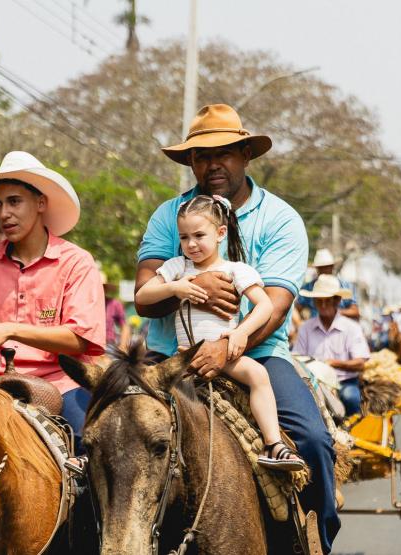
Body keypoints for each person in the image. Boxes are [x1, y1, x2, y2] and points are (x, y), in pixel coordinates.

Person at [134, 104, 339, 553]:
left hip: (259, 353)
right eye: (202, 155)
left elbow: (277, 306)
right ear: (190, 162)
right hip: (169, 356)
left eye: (224, 152)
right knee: (109, 433)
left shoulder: (281, 219)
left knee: (312, 440)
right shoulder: (169, 216)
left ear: (246, 154)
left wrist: (228, 346)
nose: (213, 164)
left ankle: (317, 539)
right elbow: (144, 294)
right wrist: (194, 285)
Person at [0, 150, 106, 450]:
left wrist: (9, 329)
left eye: (14, 201)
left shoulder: (77, 262)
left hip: (60, 384)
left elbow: (80, 339)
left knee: (89, 442)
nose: (4, 213)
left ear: (41, 203)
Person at [136, 194, 306, 470]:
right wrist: (174, 288)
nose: (191, 244)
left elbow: (265, 306)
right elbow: (143, 296)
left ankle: (274, 444)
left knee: (258, 375)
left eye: (199, 235)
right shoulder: (177, 267)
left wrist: (239, 334)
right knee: (137, 397)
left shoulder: (236, 270)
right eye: (184, 237)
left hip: (226, 353)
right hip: (183, 358)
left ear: (220, 233)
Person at [292, 274, 371, 416]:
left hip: (344, 382)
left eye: (326, 301)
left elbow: (360, 363)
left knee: (350, 398)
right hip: (314, 383)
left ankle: (354, 430)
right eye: (319, 301)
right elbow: (297, 357)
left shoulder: (351, 328)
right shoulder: (305, 328)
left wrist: (333, 363)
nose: (322, 306)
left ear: (337, 301)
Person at [295, 248, 359, 320]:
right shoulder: (308, 287)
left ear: (332, 267)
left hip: (340, 327)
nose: (324, 270)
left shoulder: (346, 285)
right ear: (317, 269)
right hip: (314, 328)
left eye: (327, 267)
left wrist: (334, 313)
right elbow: (296, 309)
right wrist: (299, 324)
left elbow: (355, 311)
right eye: (321, 268)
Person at [101, 268, 131, 352]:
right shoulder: (87, 304)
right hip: (90, 345)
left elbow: (125, 326)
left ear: (105, 288)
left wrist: (122, 346)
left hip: (109, 345)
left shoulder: (114, 304)